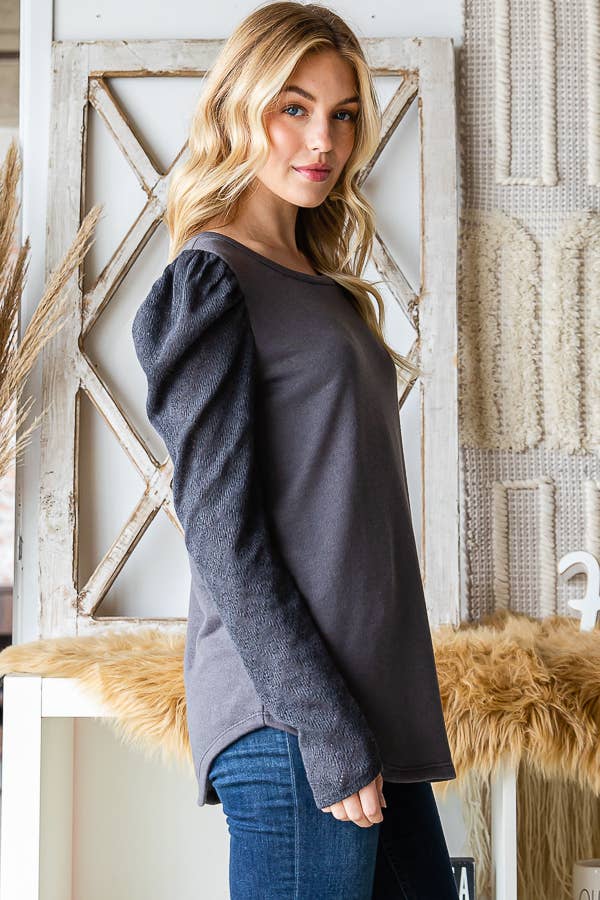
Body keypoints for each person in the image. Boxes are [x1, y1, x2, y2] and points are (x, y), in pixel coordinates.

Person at [132, 2, 459, 897]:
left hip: (366, 707)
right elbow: (219, 533)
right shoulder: (210, 280)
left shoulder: (325, 288)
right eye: (294, 107)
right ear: (239, 107)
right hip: (296, 720)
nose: (324, 140)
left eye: (344, 114)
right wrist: (323, 725)